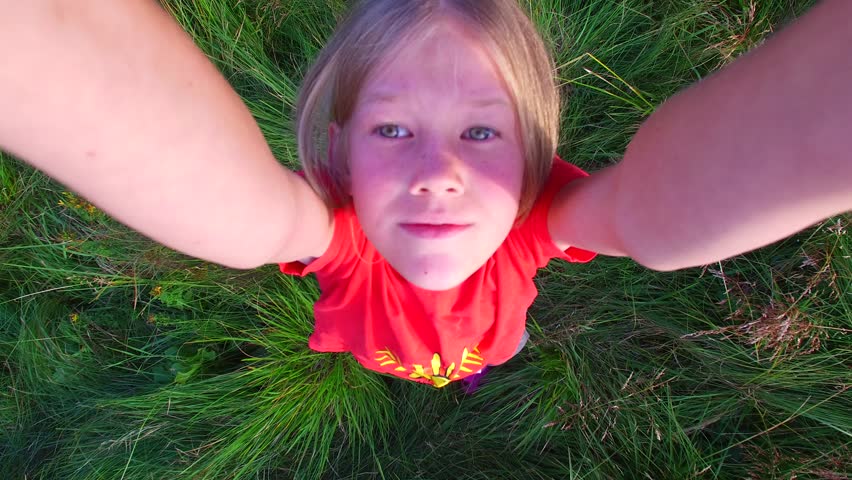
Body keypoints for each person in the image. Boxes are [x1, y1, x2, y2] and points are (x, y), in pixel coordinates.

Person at [1, 0, 849, 389]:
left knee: (496, 349)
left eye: (481, 133)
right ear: (335, 151)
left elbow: (653, 217)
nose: (437, 171)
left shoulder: (534, 223)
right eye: (392, 130)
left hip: (491, 336)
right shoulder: (331, 228)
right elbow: (242, 215)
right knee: (402, 357)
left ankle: (477, 364)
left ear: (532, 164)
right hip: (379, 343)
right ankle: (447, 366)